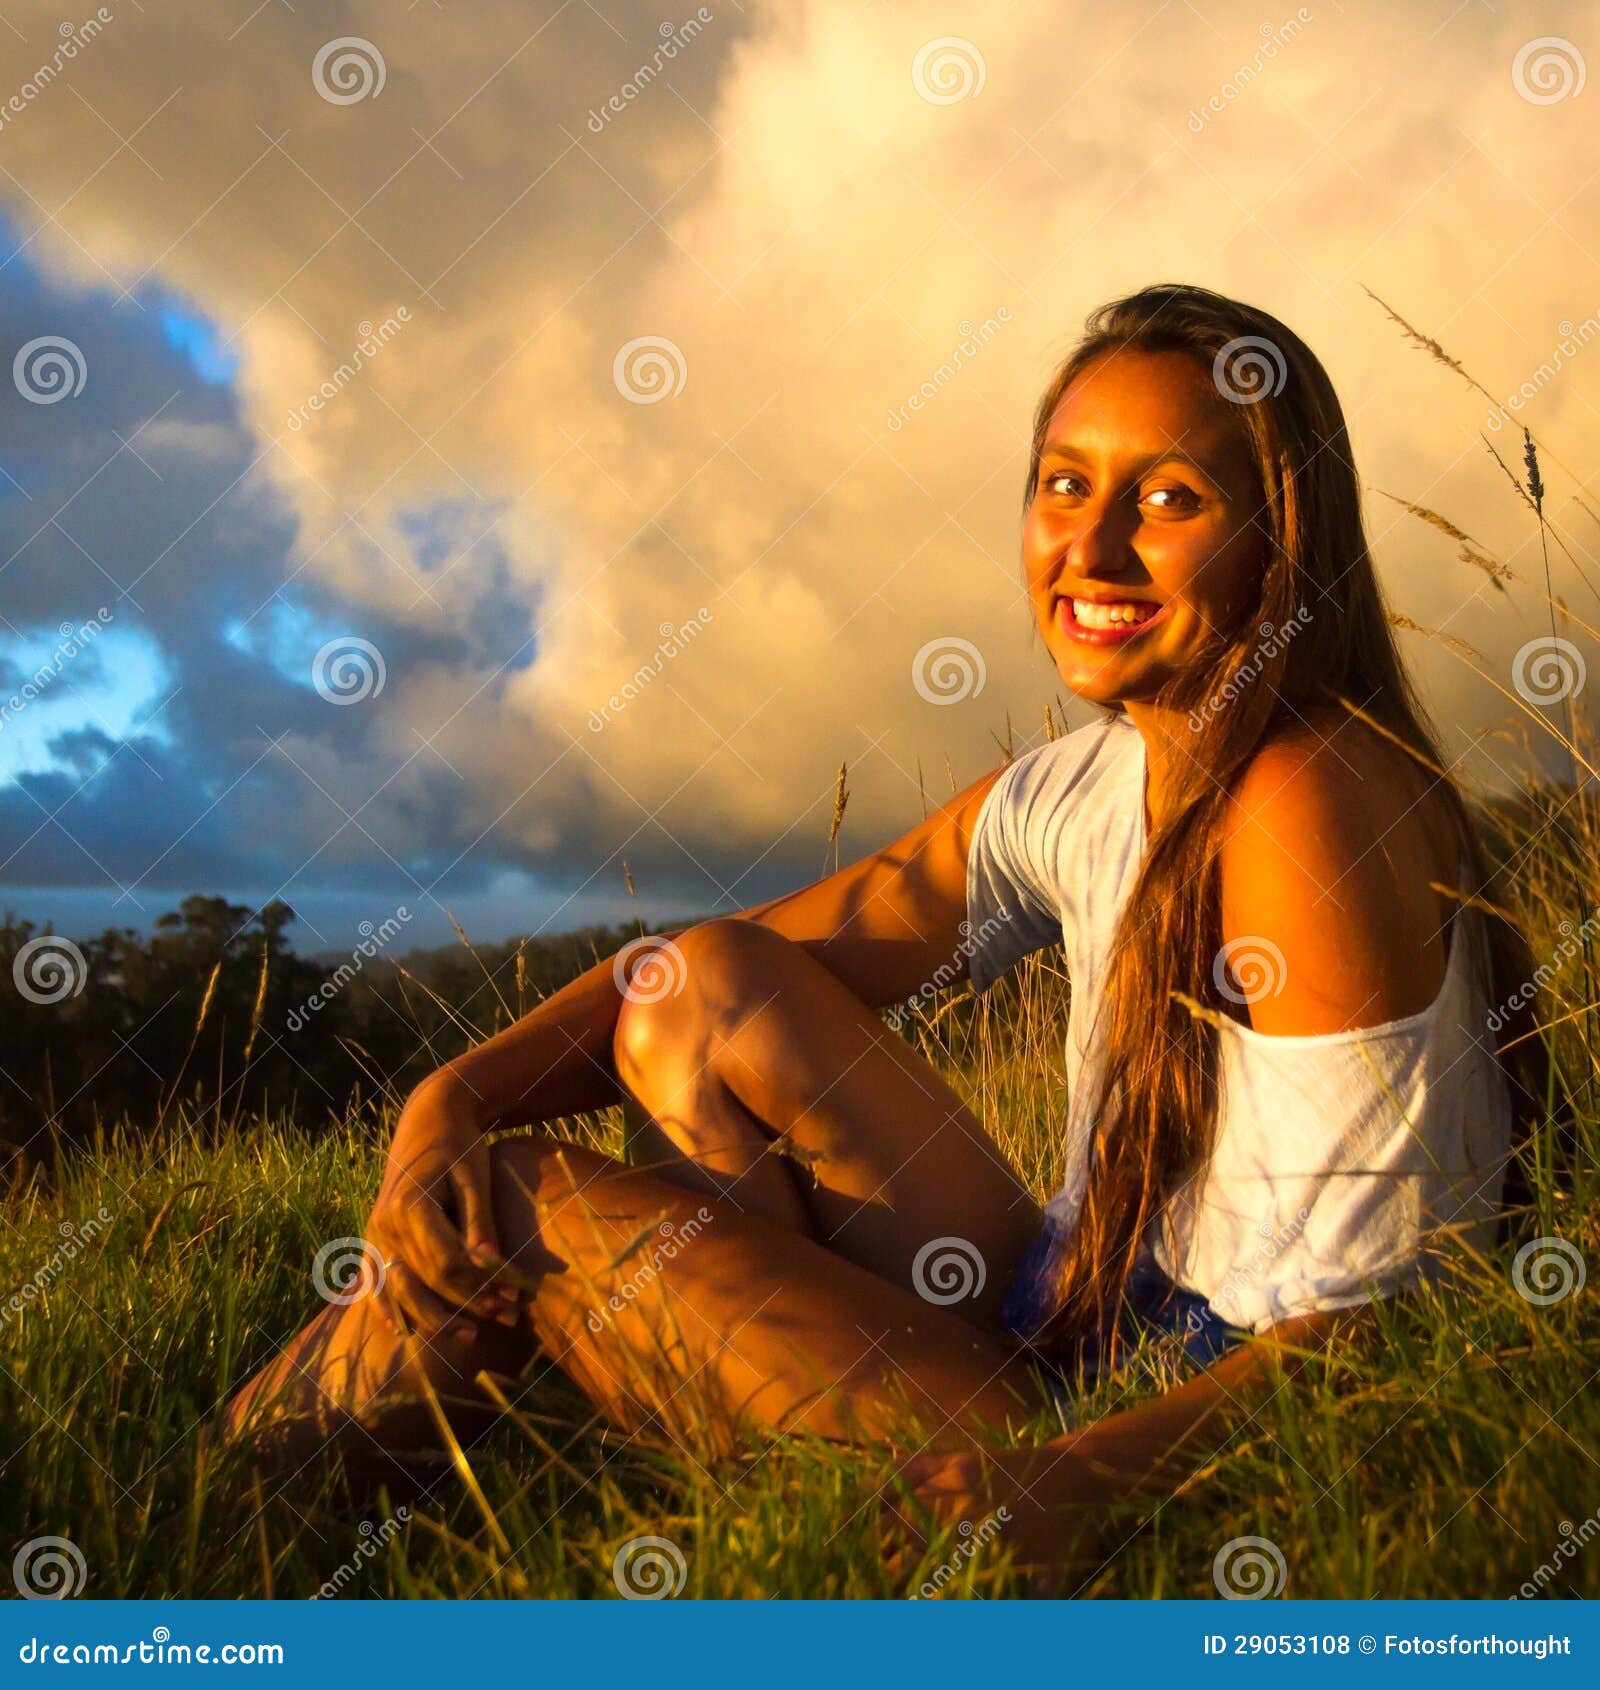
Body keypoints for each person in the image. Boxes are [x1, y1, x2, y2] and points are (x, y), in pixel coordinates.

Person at [224, 283, 1542, 1578]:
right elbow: (719, 958)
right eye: (1065, 485)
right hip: (1064, 1316)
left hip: (1166, 1429)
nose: (1090, 551)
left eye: (1170, 498)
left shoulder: (1306, 799)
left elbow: (1388, 1324)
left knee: (510, 1204)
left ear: (1281, 539)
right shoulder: (1089, 785)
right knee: (708, 985)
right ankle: (661, 1415)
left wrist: (1076, 1478)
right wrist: (451, 1095)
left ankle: (228, 1516)